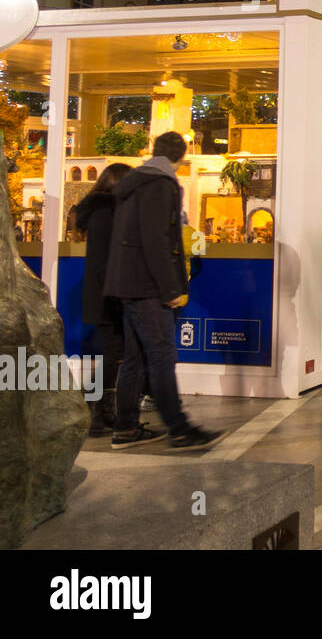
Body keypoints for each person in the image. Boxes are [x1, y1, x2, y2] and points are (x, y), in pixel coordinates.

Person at [104, 132, 222, 450]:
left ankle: (125, 428)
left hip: (128, 284)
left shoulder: (135, 183)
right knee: (161, 356)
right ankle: (180, 429)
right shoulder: (160, 184)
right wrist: (170, 288)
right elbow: (156, 239)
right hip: (148, 286)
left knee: (135, 359)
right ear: (182, 158)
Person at [73, 162, 133, 437]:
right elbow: (109, 258)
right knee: (114, 351)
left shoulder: (99, 211)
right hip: (108, 292)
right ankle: (96, 407)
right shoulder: (108, 213)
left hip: (104, 290)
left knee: (115, 351)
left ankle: (102, 408)